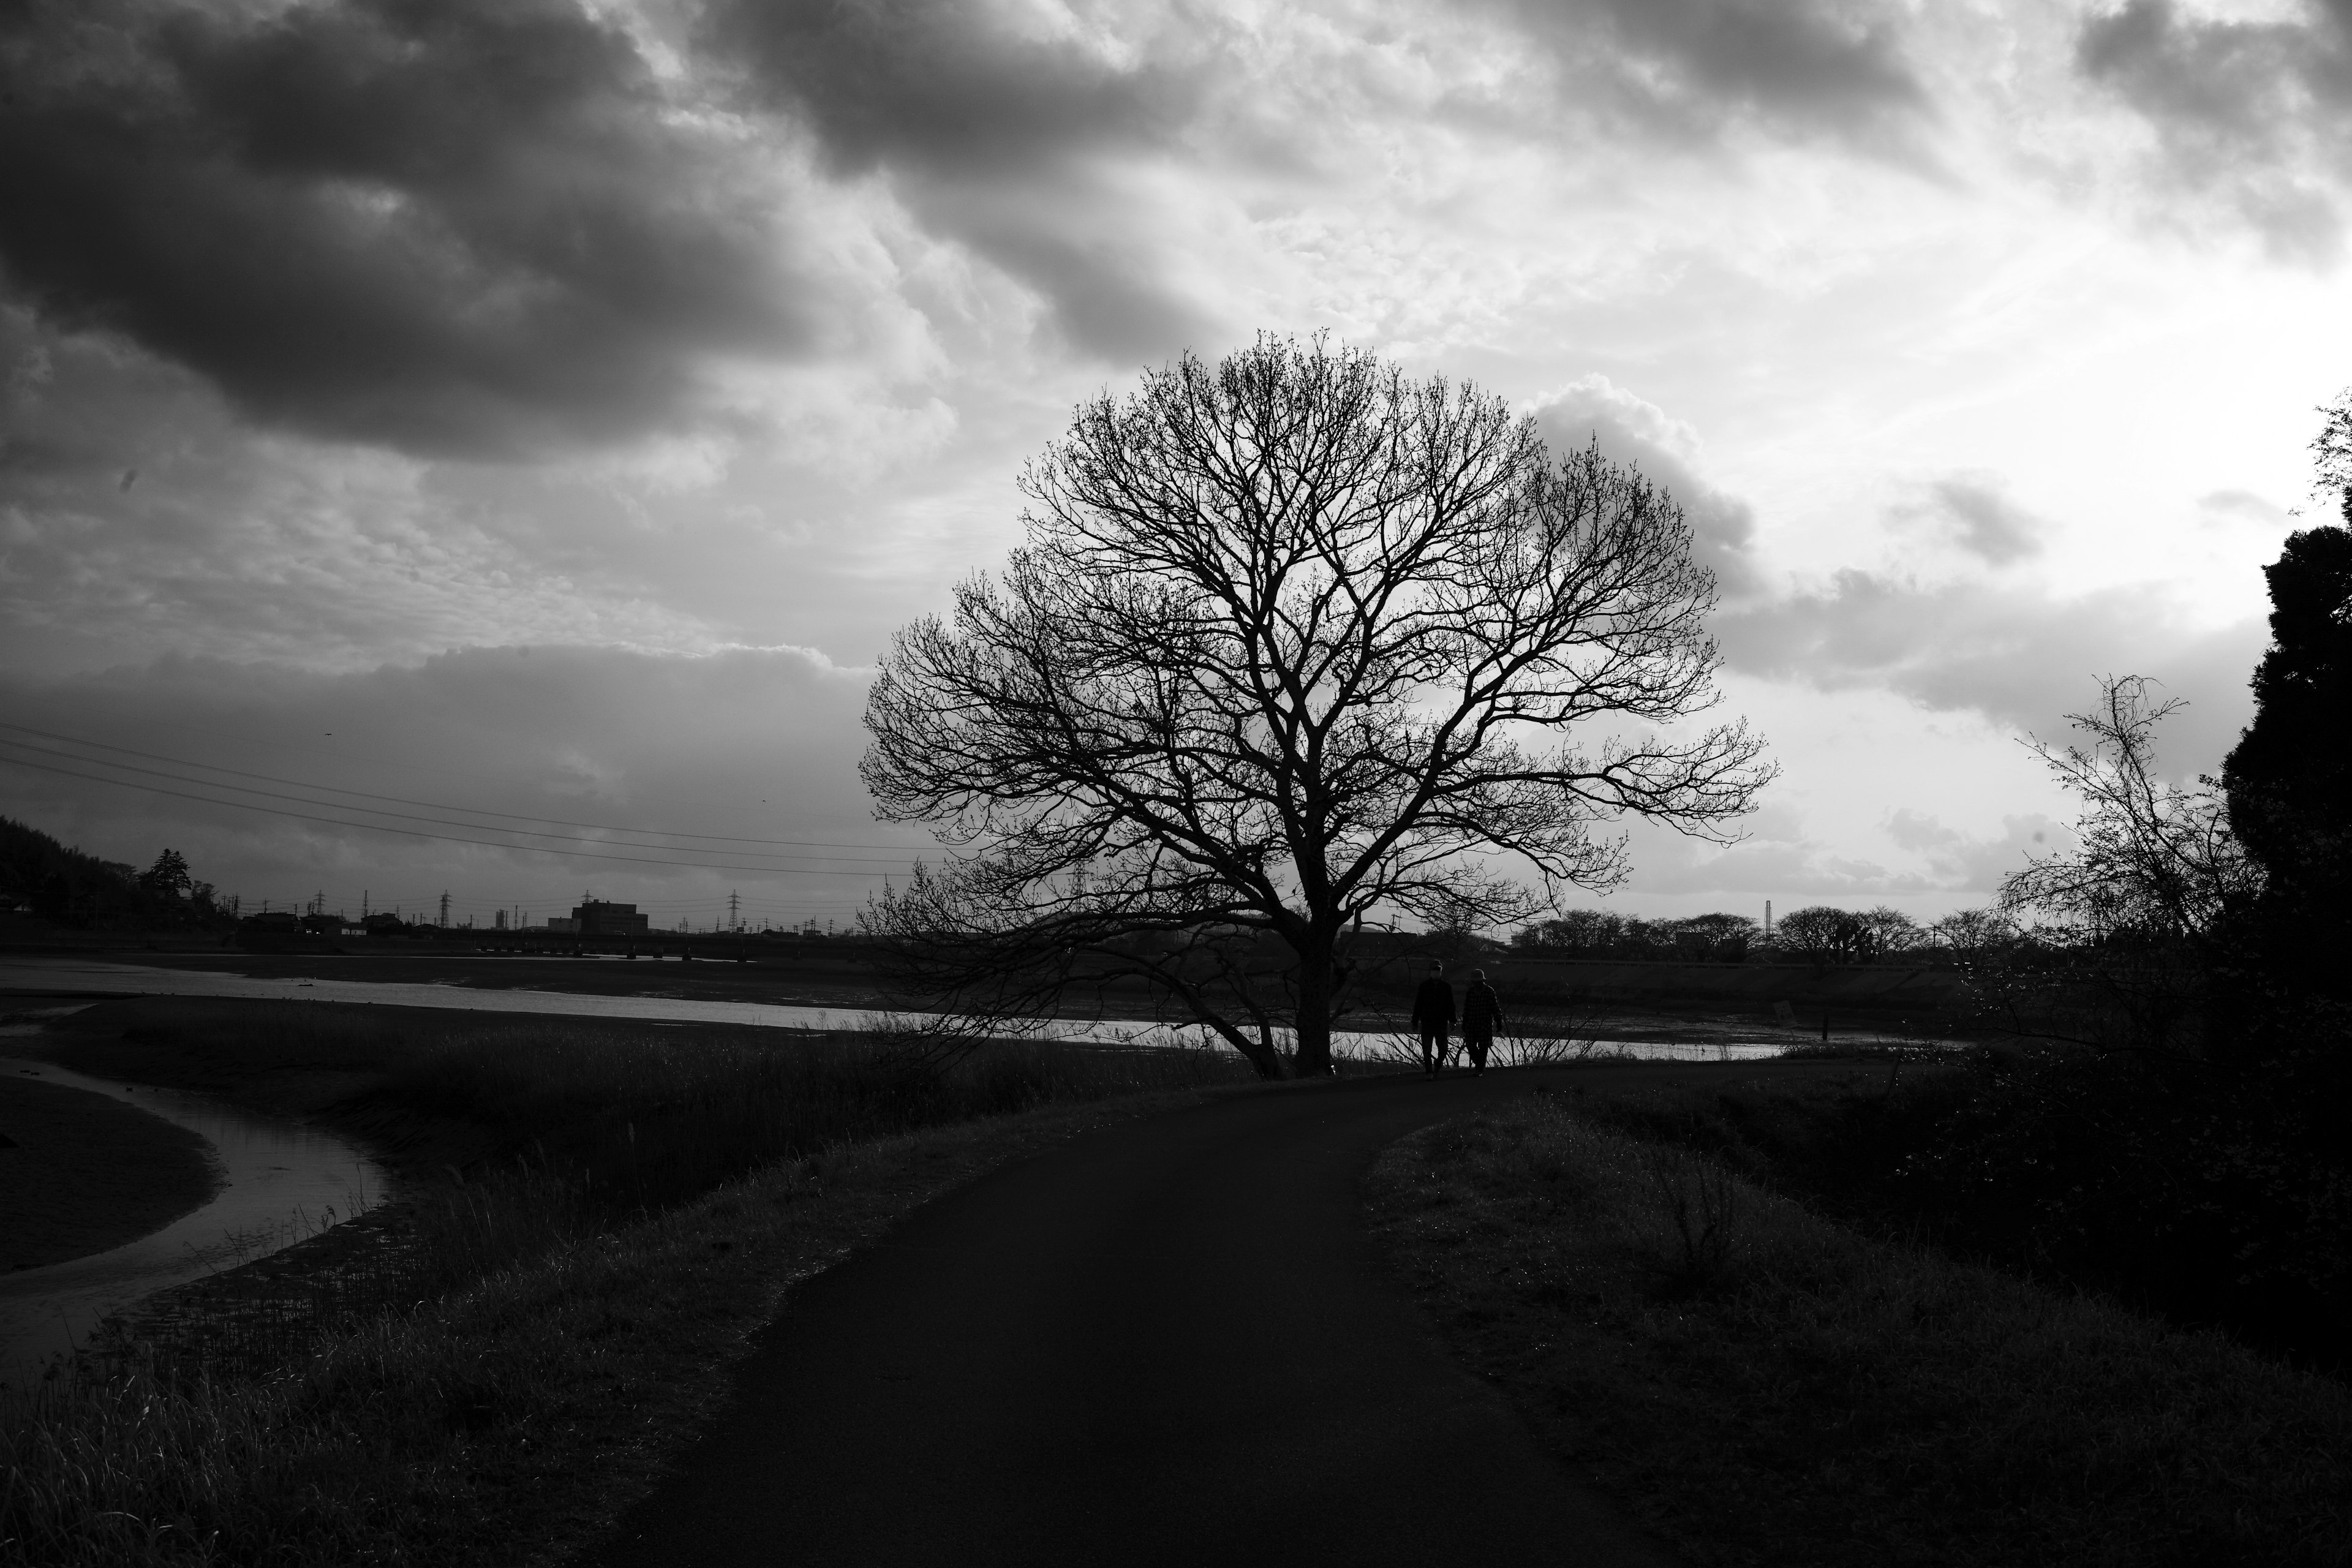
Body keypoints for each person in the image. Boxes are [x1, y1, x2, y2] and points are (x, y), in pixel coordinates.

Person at [1411, 961, 1454, 1078]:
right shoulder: (1424, 986)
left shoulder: (1446, 987)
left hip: (1441, 1022)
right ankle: (1429, 1071)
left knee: (1444, 1050)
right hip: (1427, 1022)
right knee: (1426, 1049)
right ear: (1430, 972)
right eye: (1435, 970)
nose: (1436, 973)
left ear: (1441, 972)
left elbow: (1451, 1004)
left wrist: (1453, 1020)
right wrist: (1415, 1021)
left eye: (1438, 971)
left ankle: (1438, 1064)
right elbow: (1418, 1005)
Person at [1460, 968, 1504, 1076]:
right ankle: (1480, 1065)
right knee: (1470, 1045)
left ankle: (1479, 1069)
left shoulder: (1489, 991)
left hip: (1485, 1023)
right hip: (1471, 1023)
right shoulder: (1470, 992)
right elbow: (1467, 1008)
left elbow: (1495, 1007)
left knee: (1484, 1046)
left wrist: (1498, 1021)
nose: (1476, 984)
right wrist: (1465, 1021)